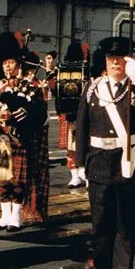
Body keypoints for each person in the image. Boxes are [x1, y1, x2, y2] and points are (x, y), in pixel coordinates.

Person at [75, 36, 135, 269]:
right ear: (106, 61)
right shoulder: (92, 89)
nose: (116, 63)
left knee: (125, 224)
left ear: (129, 61)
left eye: (121, 59)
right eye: (112, 59)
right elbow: (82, 125)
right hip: (99, 165)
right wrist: (80, 162)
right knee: (101, 227)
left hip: (129, 164)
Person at [0, 32, 50, 232]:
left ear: (18, 64)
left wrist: (13, 115)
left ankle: (16, 216)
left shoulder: (31, 86)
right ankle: (4, 216)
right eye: (4, 63)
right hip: (2, 139)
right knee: (3, 178)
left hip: (19, 138)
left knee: (18, 180)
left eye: (11, 62)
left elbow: (37, 113)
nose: (7, 66)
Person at [56, 41, 89, 188]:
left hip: (82, 112)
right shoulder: (63, 70)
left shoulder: (86, 69)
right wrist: (61, 112)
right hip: (68, 112)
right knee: (71, 148)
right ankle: (75, 176)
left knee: (85, 146)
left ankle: (84, 173)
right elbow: (58, 92)